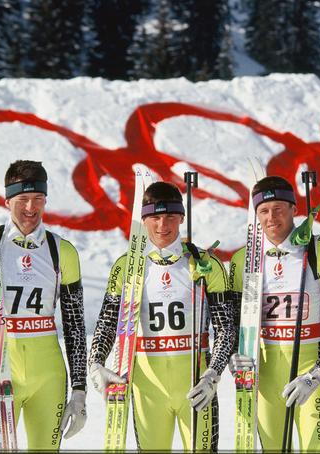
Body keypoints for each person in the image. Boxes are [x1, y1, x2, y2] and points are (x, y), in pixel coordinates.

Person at [88, 181, 234, 450]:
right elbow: (108, 322)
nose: (162, 225)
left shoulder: (205, 264)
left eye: (169, 217)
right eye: (154, 217)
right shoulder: (128, 266)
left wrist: (213, 373)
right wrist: (96, 362)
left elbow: (226, 328)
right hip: (147, 388)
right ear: (143, 220)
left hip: (195, 383)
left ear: (181, 217)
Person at [0, 160, 87, 450]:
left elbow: (75, 326)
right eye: (22, 200)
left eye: (38, 199)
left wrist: (79, 391)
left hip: (49, 378)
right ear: (7, 200)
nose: (30, 208)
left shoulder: (61, 251)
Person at [229, 175, 320, 451]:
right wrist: (232, 356)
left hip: (309, 372)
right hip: (264, 373)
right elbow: (230, 322)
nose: (271, 217)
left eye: (278, 208)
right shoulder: (243, 260)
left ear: (294, 209)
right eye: (263, 210)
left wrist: (318, 373)